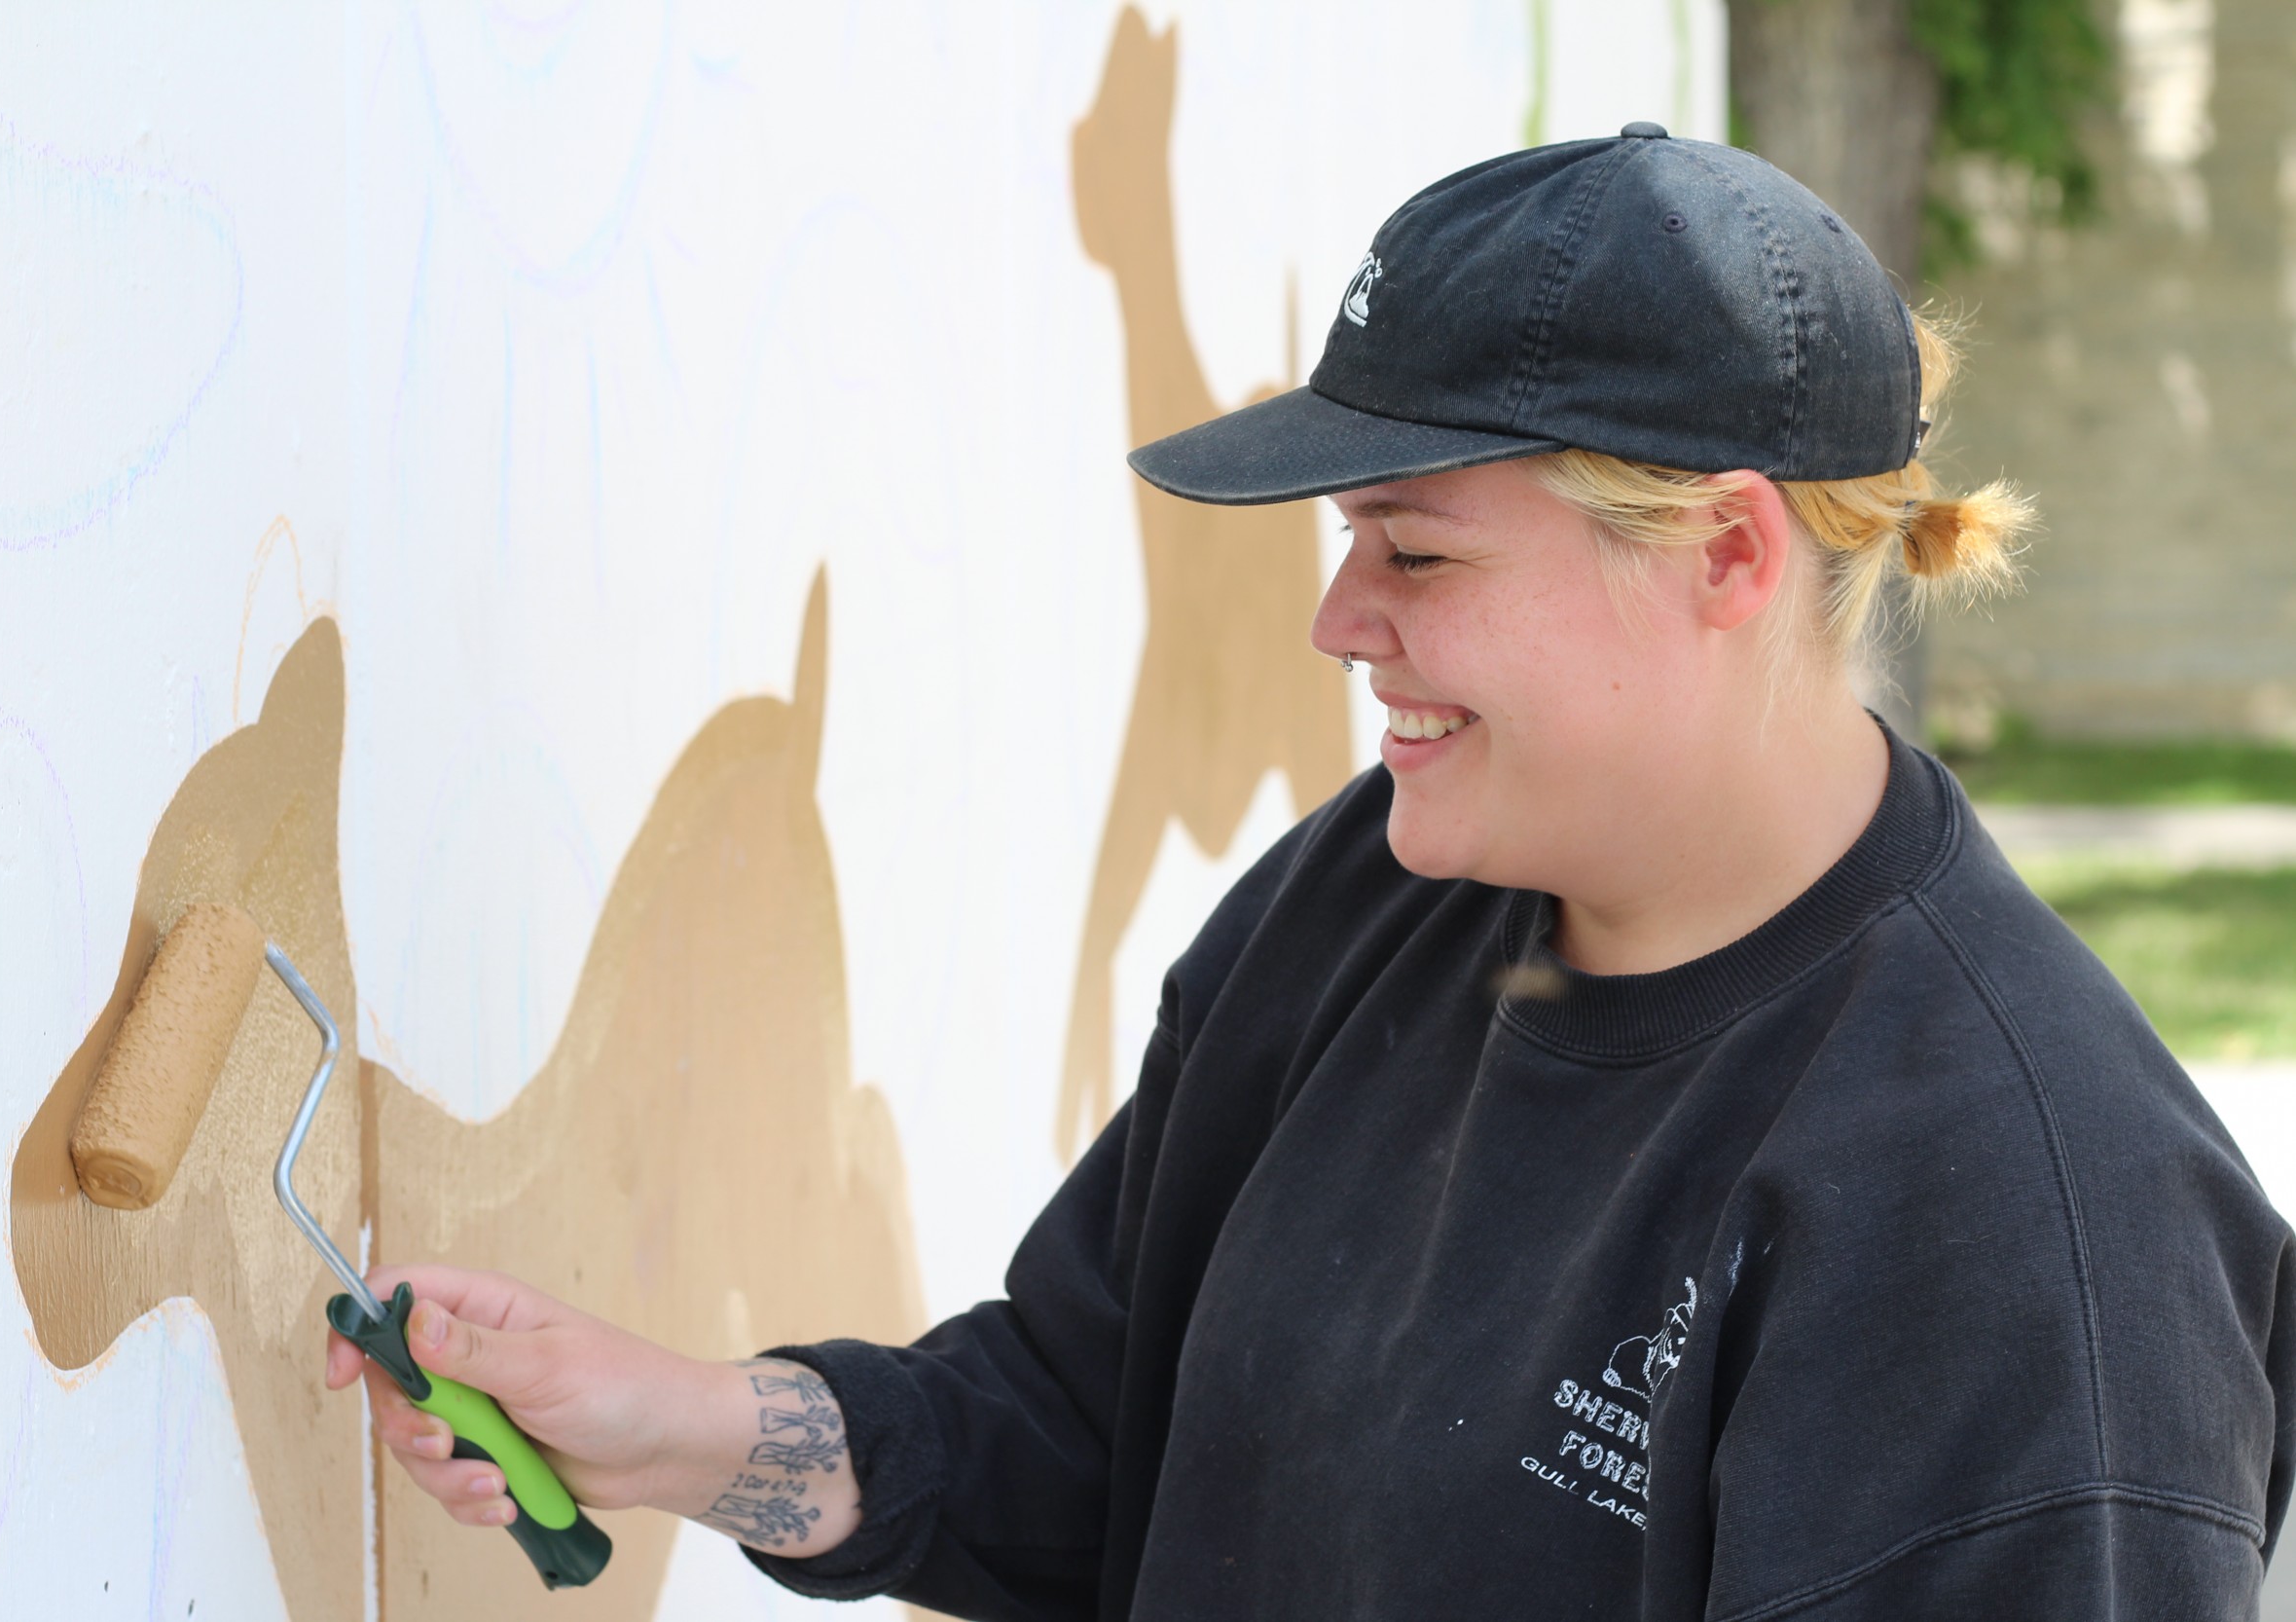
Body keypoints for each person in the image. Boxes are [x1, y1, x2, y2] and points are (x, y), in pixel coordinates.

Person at [330, 126, 2296, 1618]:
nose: (1336, 622)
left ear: (1723, 553)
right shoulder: (1378, 888)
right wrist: (684, 1421)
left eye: (1416, 553)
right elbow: (1086, 1432)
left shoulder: (2026, 1231)